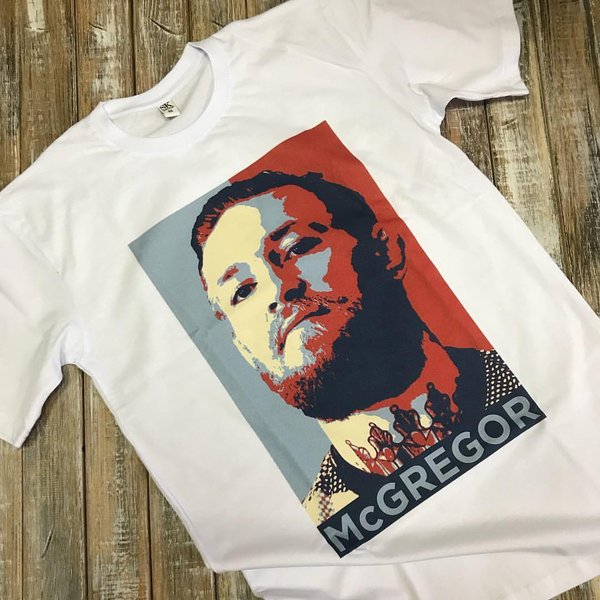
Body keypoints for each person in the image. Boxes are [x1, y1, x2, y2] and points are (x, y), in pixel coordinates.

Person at [190, 169, 526, 525]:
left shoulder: (537, 376)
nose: (278, 290)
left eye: (297, 248)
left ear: (386, 250)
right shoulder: (317, 526)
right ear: (245, 351)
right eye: (242, 291)